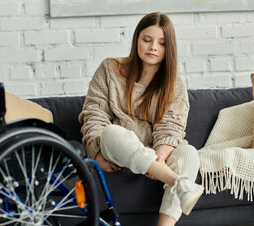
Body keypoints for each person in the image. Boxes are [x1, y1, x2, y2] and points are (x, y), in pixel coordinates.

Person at [78, 12, 203, 226]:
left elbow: (172, 128)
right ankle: (179, 184)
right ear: (137, 39)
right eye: (147, 40)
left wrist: (159, 157)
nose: (153, 47)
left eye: (161, 43)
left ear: (169, 48)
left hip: (157, 153)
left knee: (189, 154)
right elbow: (94, 115)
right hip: (118, 150)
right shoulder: (109, 69)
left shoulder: (174, 84)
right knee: (111, 132)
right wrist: (97, 153)